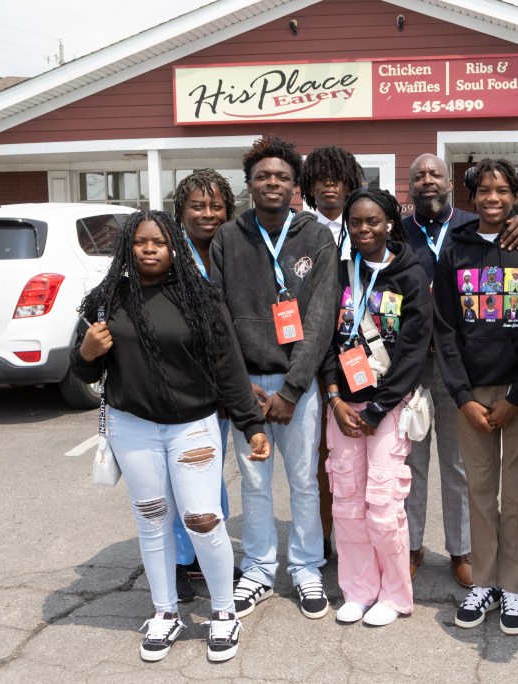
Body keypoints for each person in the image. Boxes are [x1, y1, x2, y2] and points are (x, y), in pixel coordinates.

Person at [72, 210, 269, 664]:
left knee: (203, 518)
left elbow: (229, 370)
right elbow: (82, 368)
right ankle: (165, 612)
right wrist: (86, 353)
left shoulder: (200, 297)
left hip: (193, 427)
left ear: (173, 246)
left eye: (158, 242)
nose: (148, 249)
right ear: (127, 247)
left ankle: (223, 613)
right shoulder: (106, 300)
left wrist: (251, 425)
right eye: (140, 242)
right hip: (132, 426)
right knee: (153, 520)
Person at [209, 136, 338, 620]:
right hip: (248, 386)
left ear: (295, 186)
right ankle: (259, 568)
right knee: (254, 480)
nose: (272, 183)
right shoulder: (229, 236)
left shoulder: (315, 237)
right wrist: (240, 385)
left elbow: (322, 317)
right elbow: (218, 314)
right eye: (263, 176)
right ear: (249, 184)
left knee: (305, 481)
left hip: (296, 388)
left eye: (282, 177)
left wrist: (292, 388)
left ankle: (306, 567)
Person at [403, 153, 518, 587]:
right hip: (410, 362)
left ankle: (462, 550)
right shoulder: (398, 230)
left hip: (463, 364)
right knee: (413, 459)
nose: (428, 180)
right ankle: (412, 545)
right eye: (419, 175)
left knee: (461, 464)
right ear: (410, 187)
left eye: (436, 174)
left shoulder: (471, 222)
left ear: (450, 183)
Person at [433, 158, 518, 637]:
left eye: (502, 190)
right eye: (484, 190)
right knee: (479, 493)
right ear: (471, 195)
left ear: (516, 196)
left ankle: (514, 588)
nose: (492, 198)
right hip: (471, 395)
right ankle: (483, 582)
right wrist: (462, 396)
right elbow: (445, 329)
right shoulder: (454, 250)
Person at [320, 188, 431, 626]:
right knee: (346, 501)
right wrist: (333, 397)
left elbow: (413, 350)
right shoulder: (341, 273)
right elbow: (326, 339)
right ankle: (358, 589)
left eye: (373, 221)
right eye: (357, 222)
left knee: (384, 504)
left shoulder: (410, 274)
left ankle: (395, 594)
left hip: (388, 406)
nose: (365, 229)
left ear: (389, 223)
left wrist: (376, 409)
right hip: (343, 406)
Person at [170, 168, 238, 602]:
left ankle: (209, 552)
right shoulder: (165, 252)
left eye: (216, 206)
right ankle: (179, 560)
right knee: (178, 476)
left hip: (222, 386)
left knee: (211, 471)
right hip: (175, 387)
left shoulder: (234, 251)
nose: (207, 213)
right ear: (181, 211)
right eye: (197, 205)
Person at [300, 145, 366, 562]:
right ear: (308, 186)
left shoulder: (367, 223)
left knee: (359, 449)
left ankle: (357, 535)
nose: (329, 184)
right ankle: (323, 535)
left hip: (361, 354)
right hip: (310, 355)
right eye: (320, 177)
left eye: (336, 177)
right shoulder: (300, 229)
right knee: (319, 458)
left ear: (349, 182)